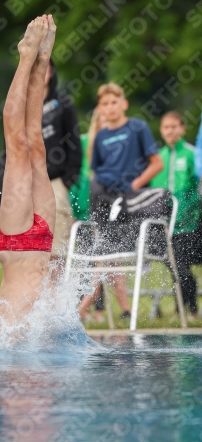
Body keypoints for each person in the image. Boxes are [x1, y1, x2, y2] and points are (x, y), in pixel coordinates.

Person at [78, 82, 163, 321]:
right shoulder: (101, 136)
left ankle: (82, 308)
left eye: (114, 102)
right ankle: (124, 310)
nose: (110, 107)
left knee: (109, 255)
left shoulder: (138, 127)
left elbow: (157, 163)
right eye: (105, 103)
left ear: (123, 104)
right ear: (100, 109)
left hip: (131, 202)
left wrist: (135, 186)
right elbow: (95, 173)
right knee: (106, 255)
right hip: (105, 201)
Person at [0, 15, 57, 324]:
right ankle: (38, 60)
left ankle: (27, 58)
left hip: (16, 241)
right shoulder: (18, 347)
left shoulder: (12, 348)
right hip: (37, 241)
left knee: (18, 145)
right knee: (33, 145)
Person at [150, 111, 201, 317]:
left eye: (174, 126)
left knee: (182, 264)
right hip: (167, 225)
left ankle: (189, 308)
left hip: (191, 221)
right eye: (166, 127)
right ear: (161, 131)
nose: (170, 131)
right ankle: (185, 309)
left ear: (182, 128)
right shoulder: (157, 158)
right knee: (176, 267)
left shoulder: (191, 154)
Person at [42, 59, 82, 266]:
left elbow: (74, 144)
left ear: (52, 72)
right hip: (26, 186)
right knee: (31, 247)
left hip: (56, 181)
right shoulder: (18, 106)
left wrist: (67, 181)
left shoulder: (63, 104)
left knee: (56, 248)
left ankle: (57, 297)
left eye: (44, 67)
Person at [69, 109, 107, 322]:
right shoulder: (84, 143)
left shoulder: (114, 147)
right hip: (83, 210)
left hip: (105, 211)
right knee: (88, 262)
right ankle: (88, 307)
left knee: (99, 262)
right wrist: (73, 209)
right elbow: (74, 175)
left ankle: (89, 308)